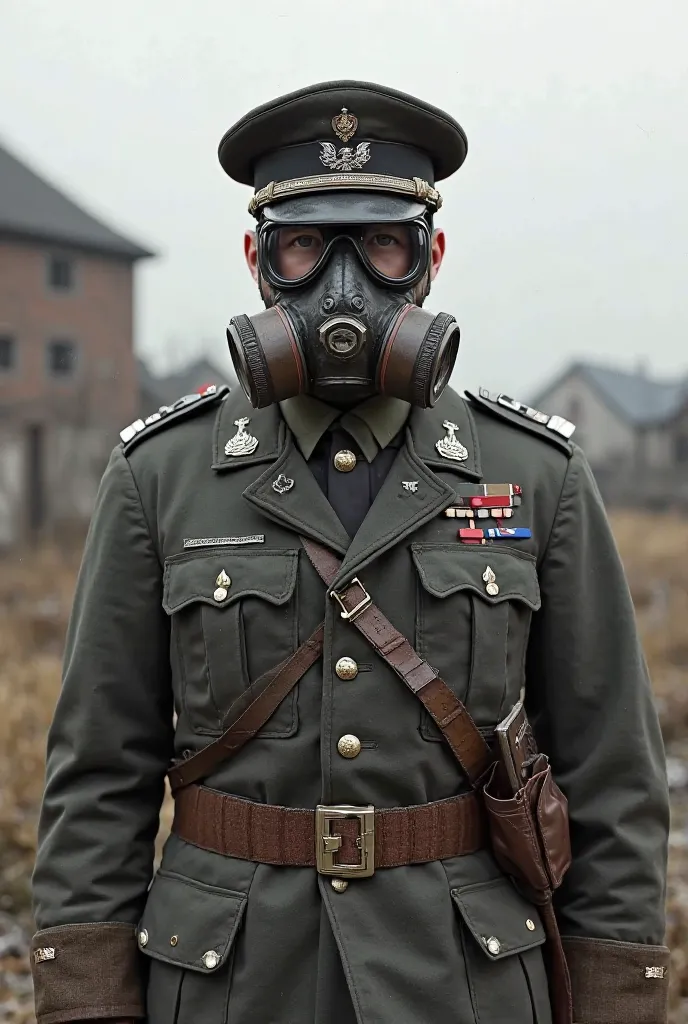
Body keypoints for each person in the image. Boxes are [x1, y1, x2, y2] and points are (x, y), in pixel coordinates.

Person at [31, 80, 670, 1024]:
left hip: (465, 981)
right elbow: (98, 776)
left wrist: (619, 1001)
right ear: (257, 259)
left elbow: (614, 778)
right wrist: (85, 1001)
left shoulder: (536, 476)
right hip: (227, 983)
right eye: (303, 246)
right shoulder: (159, 476)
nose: (346, 287)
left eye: (381, 244)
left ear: (431, 257)